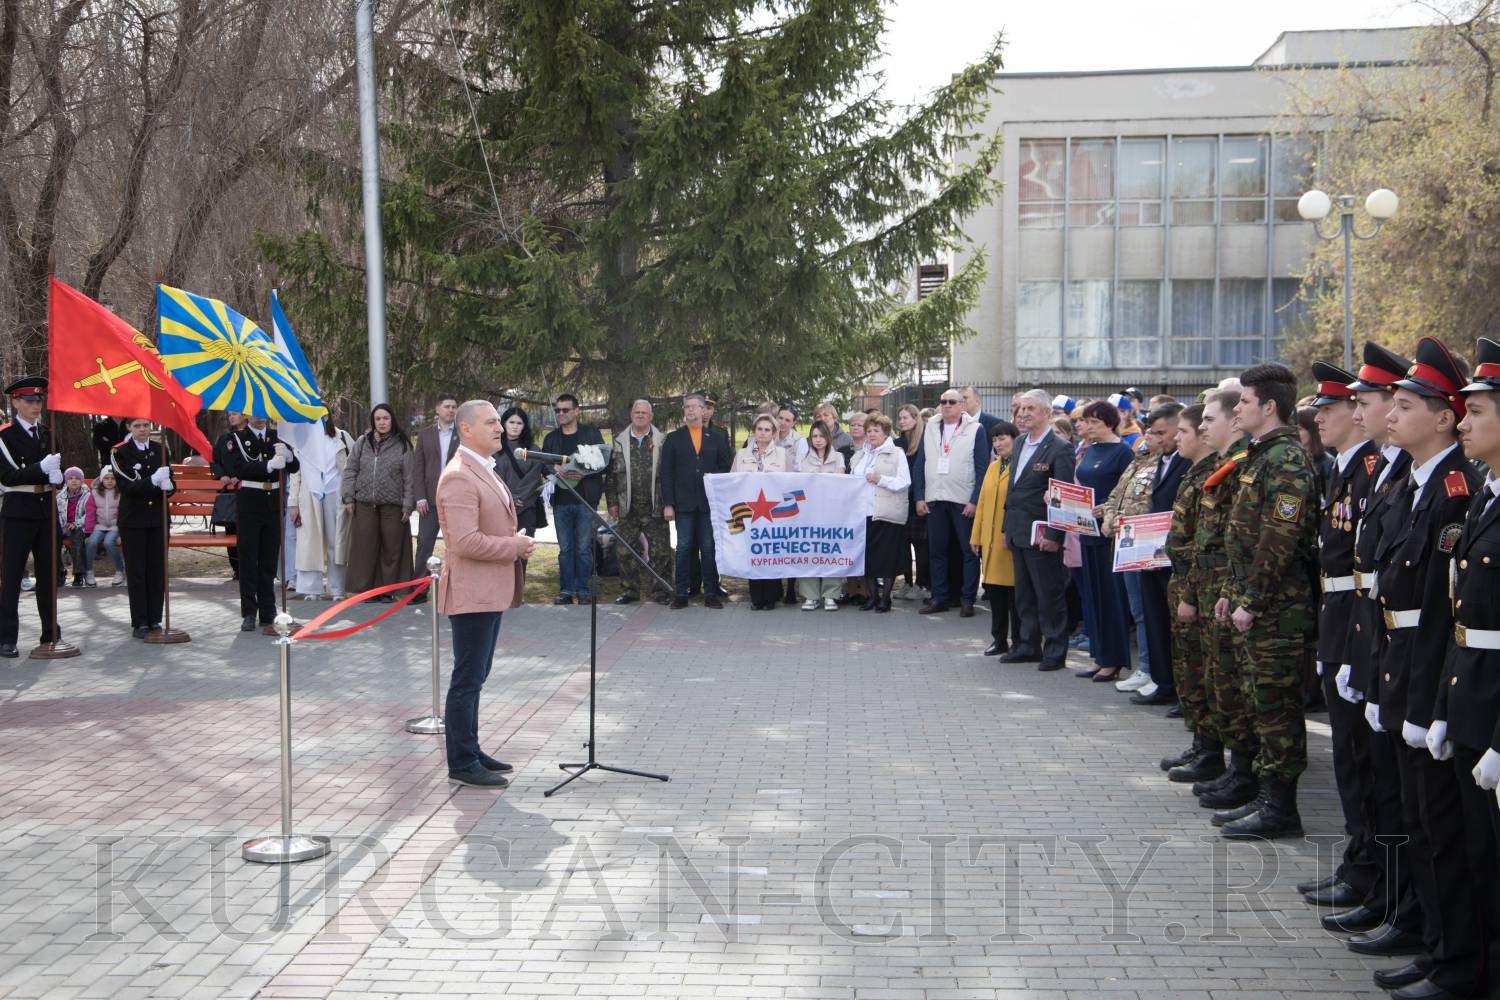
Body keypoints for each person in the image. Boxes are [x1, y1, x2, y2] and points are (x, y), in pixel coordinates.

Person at [1363, 337, 1487, 996]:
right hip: (1404, 663)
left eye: (1405, 406)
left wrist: (1431, 700)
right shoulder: (1413, 481)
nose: (1391, 415)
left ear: (1443, 417)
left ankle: (1455, 958)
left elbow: (1445, 606)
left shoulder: (1458, 488)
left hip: (1439, 671)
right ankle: (1436, 945)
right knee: (1419, 819)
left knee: (1446, 831)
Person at [1332, 342, 1422, 959]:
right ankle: (1379, 886)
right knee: (1372, 777)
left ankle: (1399, 902)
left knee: (1404, 796)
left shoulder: (1433, 479)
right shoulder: (1387, 470)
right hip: (1368, 635)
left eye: (1368, 401)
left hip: (1403, 649)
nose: (1367, 412)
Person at [1214, 362, 1319, 840]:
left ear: (1270, 406)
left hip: (1279, 608)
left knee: (1276, 708)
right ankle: (1263, 795)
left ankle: (1280, 807)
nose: (1238, 409)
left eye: (1245, 401)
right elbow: (1244, 538)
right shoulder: (1261, 455)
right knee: (1258, 701)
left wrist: (1252, 599)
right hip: (1255, 600)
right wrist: (1230, 591)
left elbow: (1280, 536)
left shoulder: (1287, 459)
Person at [1434, 336, 1500, 1000]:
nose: (1463, 423)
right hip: (1469, 694)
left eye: (1476, 412)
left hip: (1494, 706)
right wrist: (1441, 709)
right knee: (1476, 852)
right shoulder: (1485, 496)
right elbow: (1461, 612)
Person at [435, 399, 535, 788]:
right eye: (490, 422)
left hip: (489, 591)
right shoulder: (459, 475)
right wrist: (513, 546)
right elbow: (464, 542)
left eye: (498, 421)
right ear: (466, 429)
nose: (499, 428)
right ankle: (461, 761)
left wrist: (511, 540)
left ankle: (471, 749)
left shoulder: (484, 468)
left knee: (477, 675)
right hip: (472, 591)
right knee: (467, 677)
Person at [998, 389, 1076, 670]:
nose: (1023, 413)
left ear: (1047, 412)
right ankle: (1028, 646)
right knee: (1024, 595)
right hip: (1018, 530)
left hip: (1043, 534)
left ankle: (1055, 650)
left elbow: (1064, 496)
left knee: (1049, 595)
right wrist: (1006, 527)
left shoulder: (1060, 448)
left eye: (1030, 408)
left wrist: (1055, 535)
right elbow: (1013, 489)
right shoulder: (1020, 442)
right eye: (1021, 409)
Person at [1160, 404, 1218, 773]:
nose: (1177, 437)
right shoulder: (1194, 473)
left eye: (1183, 431)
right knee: (1190, 672)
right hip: (1184, 584)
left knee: (1203, 672)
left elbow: (1207, 544)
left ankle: (1211, 751)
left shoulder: (1215, 474)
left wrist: (1192, 595)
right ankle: (1201, 743)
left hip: (1199, 588)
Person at [1124, 403, 1187, 706]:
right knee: (1154, 618)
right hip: (1151, 552)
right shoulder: (1158, 460)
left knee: (1174, 624)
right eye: (1154, 433)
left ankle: (1177, 687)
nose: (1159, 439)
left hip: (1172, 554)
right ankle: (1163, 681)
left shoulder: (1186, 461)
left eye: (1164, 433)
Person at [1070, 401, 1134, 683]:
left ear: (1109, 423)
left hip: (1108, 532)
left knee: (1110, 597)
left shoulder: (1122, 452)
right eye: (1086, 421)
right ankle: (1099, 655)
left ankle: (1114, 659)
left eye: (1094, 422)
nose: (1088, 427)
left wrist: (1107, 507)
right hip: (1086, 529)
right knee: (1094, 596)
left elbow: (1128, 491)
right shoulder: (1090, 449)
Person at [911, 389, 989, 617]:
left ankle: (967, 599)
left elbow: (982, 468)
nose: (946, 405)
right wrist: (919, 496)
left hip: (962, 500)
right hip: (935, 498)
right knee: (937, 551)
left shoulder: (975, 429)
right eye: (943, 401)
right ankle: (939, 597)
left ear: (962, 406)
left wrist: (975, 500)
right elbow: (920, 463)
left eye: (952, 402)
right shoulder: (931, 427)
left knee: (968, 551)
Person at [0, 377, 63, 657]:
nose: (36, 406)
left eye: (39, 400)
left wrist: (59, 477)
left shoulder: (48, 434)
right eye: (29, 401)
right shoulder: (4, 436)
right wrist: (40, 468)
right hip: (18, 512)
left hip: (46, 510)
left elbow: (58, 471)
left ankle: (51, 633)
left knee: (49, 575)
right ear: (15, 402)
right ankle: (6, 637)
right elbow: (8, 476)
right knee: (11, 576)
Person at [222, 412, 300, 631]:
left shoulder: (277, 438)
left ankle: (268, 611)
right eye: (255, 413)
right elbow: (236, 468)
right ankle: (249, 612)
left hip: (272, 504)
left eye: (263, 412)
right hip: (250, 504)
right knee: (248, 560)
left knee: (268, 560)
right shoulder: (236, 439)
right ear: (246, 414)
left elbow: (294, 468)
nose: (259, 417)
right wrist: (268, 466)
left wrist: (290, 458)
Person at [661, 392, 733, 609]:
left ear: (703, 411)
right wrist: (668, 503)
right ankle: (681, 593)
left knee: (709, 547)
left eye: (694, 406)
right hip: (683, 504)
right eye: (687, 407)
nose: (690, 410)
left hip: (709, 504)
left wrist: (713, 479)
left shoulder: (716, 438)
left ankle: (710, 592)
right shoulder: (673, 438)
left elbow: (726, 468)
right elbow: (666, 473)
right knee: (683, 547)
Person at [342, 403, 414, 598]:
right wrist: (348, 497)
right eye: (378, 419)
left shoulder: (402, 444)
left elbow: (409, 477)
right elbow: (350, 470)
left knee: (392, 549)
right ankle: (365, 591)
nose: (382, 422)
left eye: (386, 418)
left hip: (393, 505)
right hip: (365, 504)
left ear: (392, 420)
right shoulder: (362, 442)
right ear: (373, 421)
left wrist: (408, 504)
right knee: (365, 548)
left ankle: (389, 591)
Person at [605, 399, 673, 605]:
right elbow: (611, 476)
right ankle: (629, 591)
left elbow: (670, 475)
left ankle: (661, 591)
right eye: (637, 412)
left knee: (660, 552)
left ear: (651, 416)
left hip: (655, 506)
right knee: (625, 551)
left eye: (645, 413)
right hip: (628, 507)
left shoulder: (663, 441)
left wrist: (669, 503)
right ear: (631, 415)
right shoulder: (619, 441)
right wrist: (612, 502)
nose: (641, 415)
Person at [542, 393, 606, 605]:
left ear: (577, 411)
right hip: (561, 502)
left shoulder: (591, 434)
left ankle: (584, 591)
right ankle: (566, 591)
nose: (561, 413)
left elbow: (603, 462)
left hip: (585, 500)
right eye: (558, 410)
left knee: (584, 548)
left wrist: (583, 473)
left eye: (566, 410)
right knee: (565, 549)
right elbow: (543, 464)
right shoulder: (551, 438)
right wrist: (553, 468)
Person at [112, 418, 173, 638]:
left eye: (146, 425)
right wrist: (153, 481)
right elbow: (127, 486)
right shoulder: (119, 452)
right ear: (129, 427)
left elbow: (171, 481)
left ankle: (155, 618)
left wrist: (169, 486)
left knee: (157, 570)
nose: (142, 429)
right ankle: (140, 621)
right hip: (134, 519)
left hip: (158, 517)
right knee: (137, 571)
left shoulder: (160, 449)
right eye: (137, 426)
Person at [732, 414, 792, 610]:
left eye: (767, 430)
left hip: (774, 512)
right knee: (755, 553)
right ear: (754, 431)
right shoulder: (742, 454)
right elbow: (732, 481)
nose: (763, 433)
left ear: (773, 433)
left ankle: (771, 597)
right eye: (760, 429)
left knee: (772, 553)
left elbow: (791, 483)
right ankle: (756, 598)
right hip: (750, 512)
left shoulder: (782, 454)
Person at [293, 415, 356, 600]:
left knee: (337, 542)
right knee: (310, 543)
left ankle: (337, 589)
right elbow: (295, 474)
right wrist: (293, 503)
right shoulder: (302, 439)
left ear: (327, 416)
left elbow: (353, 466)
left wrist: (350, 495)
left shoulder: (341, 437)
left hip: (335, 493)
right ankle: (311, 589)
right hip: (310, 495)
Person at [852, 414, 910, 613]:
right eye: (869, 430)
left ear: (885, 432)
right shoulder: (861, 454)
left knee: (887, 558)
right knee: (867, 557)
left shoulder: (896, 453)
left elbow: (904, 482)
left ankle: (885, 599)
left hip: (886, 512)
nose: (871, 434)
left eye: (876, 430)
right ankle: (872, 597)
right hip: (863, 513)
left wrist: (880, 479)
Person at [971, 420, 1019, 655]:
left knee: (1014, 595)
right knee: (996, 594)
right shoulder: (993, 467)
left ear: (1015, 439)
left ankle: (1019, 640)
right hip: (990, 541)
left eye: (1003, 439)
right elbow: (981, 503)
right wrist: (976, 536)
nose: (998, 444)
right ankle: (999, 639)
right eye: (995, 440)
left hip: (1008, 539)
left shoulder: (1020, 466)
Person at [411, 395, 460, 589]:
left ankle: (456, 590)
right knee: (424, 543)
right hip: (430, 501)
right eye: (447, 406)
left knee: (457, 546)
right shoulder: (425, 435)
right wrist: (420, 497)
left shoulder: (463, 434)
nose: (451, 410)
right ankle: (418, 591)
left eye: (454, 407)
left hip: (456, 499)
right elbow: (418, 468)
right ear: (437, 409)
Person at [797, 421, 846, 610]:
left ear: (828, 437)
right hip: (809, 513)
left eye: (821, 436)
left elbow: (839, 485)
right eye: (814, 436)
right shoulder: (804, 459)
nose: (818, 440)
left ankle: (830, 595)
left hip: (832, 513)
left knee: (830, 552)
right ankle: (810, 596)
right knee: (808, 552)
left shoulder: (838, 457)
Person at [495, 406, 549, 548]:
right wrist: (508, 498)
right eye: (511, 422)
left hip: (526, 507)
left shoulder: (533, 450)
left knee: (523, 550)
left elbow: (534, 478)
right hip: (500, 507)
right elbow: (493, 476)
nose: (515, 426)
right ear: (504, 423)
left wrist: (518, 497)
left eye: (519, 423)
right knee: (502, 550)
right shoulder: (494, 448)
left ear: (524, 426)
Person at [894, 404, 930, 600]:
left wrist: (920, 497)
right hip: (900, 500)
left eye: (906, 417)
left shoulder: (925, 441)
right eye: (900, 418)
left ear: (915, 419)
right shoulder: (896, 443)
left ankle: (921, 584)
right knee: (902, 544)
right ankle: (907, 583)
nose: (902, 421)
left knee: (920, 545)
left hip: (918, 499)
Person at [210, 411, 247, 580]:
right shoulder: (224, 439)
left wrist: (241, 475)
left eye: (235, 414)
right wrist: (222, 475)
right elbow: (215, 461)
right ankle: (237, 569)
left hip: (248, 491)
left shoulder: (252, 437)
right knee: (231, 530)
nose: (231, 417)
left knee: (247, 532)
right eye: (230, 415)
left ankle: (251, 567)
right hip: (229, 494)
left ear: (245, 416)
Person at [86, 467, 125, 587]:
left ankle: (120, 570)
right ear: (101, 479)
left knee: (109, 542)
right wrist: (88, 532)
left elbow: (123, 514)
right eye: (106, 478)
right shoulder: (95, 493)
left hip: (115, 527)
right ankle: (89, 571)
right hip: (99, 526)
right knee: (91, 542)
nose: (109, 481)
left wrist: (121, 534)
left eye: (113, 478)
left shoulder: (120, 493)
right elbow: (90, 512)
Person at [56, 467, 92, 588]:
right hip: (64, 526)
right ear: (66, 481)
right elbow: (57, 513)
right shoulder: (60, 497)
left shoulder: (87, 495)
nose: (74, 480)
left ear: (82, 481)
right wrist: (62, 526)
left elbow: (89, 514)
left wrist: (76, 523)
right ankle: (59, 572)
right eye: (70, 478)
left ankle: (78, 574)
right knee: (52, 540)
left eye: (77, 478)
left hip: (79, 527)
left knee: (76, 541)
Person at [774, 405, 808, 471]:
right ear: (776, 418)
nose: (782, 423)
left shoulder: (800, 441)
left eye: (787, 420)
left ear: (793, 423)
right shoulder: (767, 435)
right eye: (780, 418)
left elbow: (799, 468)